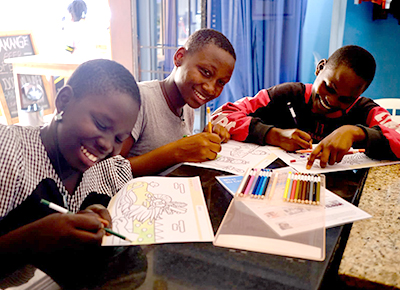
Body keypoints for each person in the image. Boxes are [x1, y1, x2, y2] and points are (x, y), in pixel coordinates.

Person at [0, 59, 147, 289]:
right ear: (64, 101)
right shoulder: (7, 154)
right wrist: (32, 240)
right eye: (100, 124)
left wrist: (97, 214)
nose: (108, 145)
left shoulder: (107, 172)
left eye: (120, 138)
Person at [211, 45, 400, 169]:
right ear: (320, 68)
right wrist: (273, 134)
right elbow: (222, 116)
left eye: (345, 99)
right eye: (329, 87)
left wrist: (356, 132)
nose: (331, 101)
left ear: (357, 97)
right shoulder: (286, 95)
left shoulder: (364, 110)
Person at [121, 28, 236, 176]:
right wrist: (177, 152)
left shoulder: (187, 107)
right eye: (205, 72)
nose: (210, 88)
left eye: (220, 82)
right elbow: (107, 170)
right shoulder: (138, 100)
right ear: (179, 57)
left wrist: (203, 142)